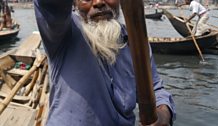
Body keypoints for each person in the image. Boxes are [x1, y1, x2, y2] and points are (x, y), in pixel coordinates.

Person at [34, 0, 176, 126]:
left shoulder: (136, 43)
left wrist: (163, 114)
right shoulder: (62, 33)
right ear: (74, 4)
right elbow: (50, 5)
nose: (98, 2)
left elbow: (156, 89)